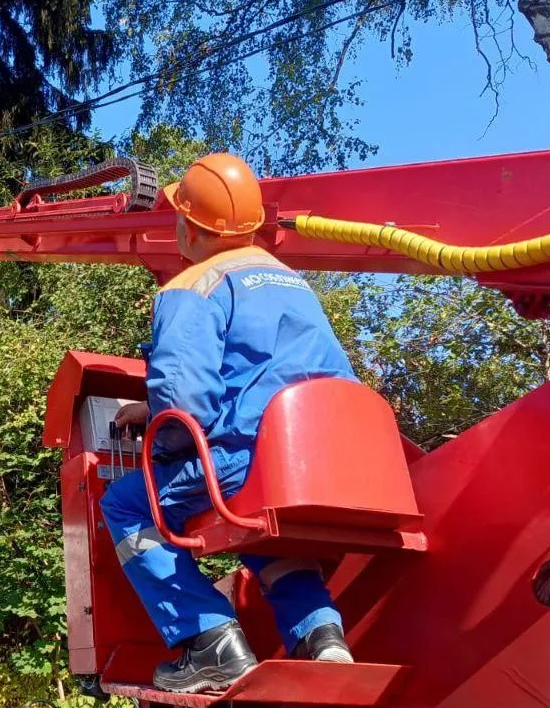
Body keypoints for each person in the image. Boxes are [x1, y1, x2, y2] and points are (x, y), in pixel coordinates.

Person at [99, 153, 358, 694]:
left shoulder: (194, 285)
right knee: (261, 529)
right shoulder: (291, 282)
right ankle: (323, 638)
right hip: (318, 456)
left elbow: (183, 396)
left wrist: (163, 446)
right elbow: (270, 371)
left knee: (125, 503)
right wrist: (152, 409)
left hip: (243, 456)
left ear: (189, 227)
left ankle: (211, 640)